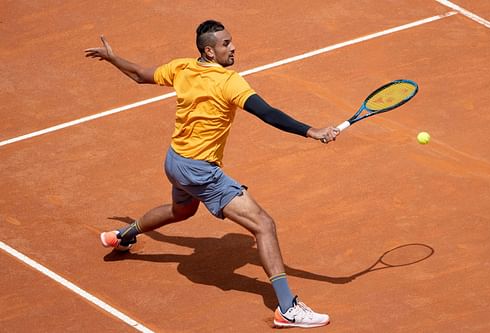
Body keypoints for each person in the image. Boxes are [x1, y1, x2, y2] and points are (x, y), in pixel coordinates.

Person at [85, 19, 339, 329]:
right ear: (209, 50)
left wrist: (113, 58)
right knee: (264, 225)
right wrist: (311, 131)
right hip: (200, 170)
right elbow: (267, 113)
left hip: (175, 161)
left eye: (231, 42)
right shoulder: (229, 82)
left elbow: (140, 75)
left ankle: (123, 236)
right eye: (225, 44)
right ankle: (287, 308)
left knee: (182, 210)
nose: (232, 48)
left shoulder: (182, 68)